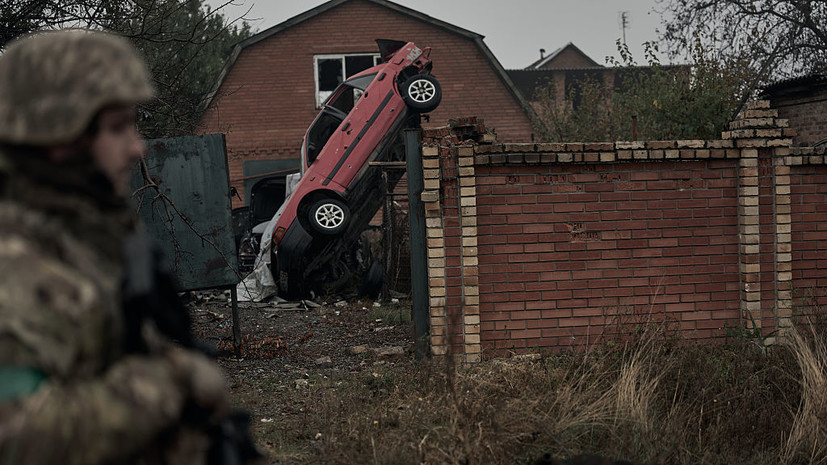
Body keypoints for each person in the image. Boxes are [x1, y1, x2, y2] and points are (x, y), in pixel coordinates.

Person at [0, 29, 234, 464]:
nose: (136, 147)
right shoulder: (14, 261)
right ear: (58, 139)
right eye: (116, 128)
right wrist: (170, 383)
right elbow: (14, 434)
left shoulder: (90, 237)